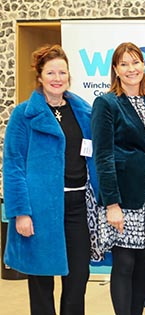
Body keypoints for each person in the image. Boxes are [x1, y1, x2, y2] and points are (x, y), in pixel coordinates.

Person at [3, 44, 97, 315]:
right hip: (40, 208)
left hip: (78, 206)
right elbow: (13, 166)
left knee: (78, 277)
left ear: (69, 76)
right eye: (51, 72)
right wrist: (20, 212)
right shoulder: (24, 115)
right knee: (41, 282)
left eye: (63, 72)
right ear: (40, 76)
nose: (58, 78)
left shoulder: (83, 112)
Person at [91, 42, 145, 315]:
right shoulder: (107, 103)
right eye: (124, 64)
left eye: (135, 62)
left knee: (144, 264)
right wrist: (112, 204)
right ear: (115, 69)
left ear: (143, 66)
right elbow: (102, 155)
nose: (131, 68)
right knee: (124, 264)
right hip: (123, 198)